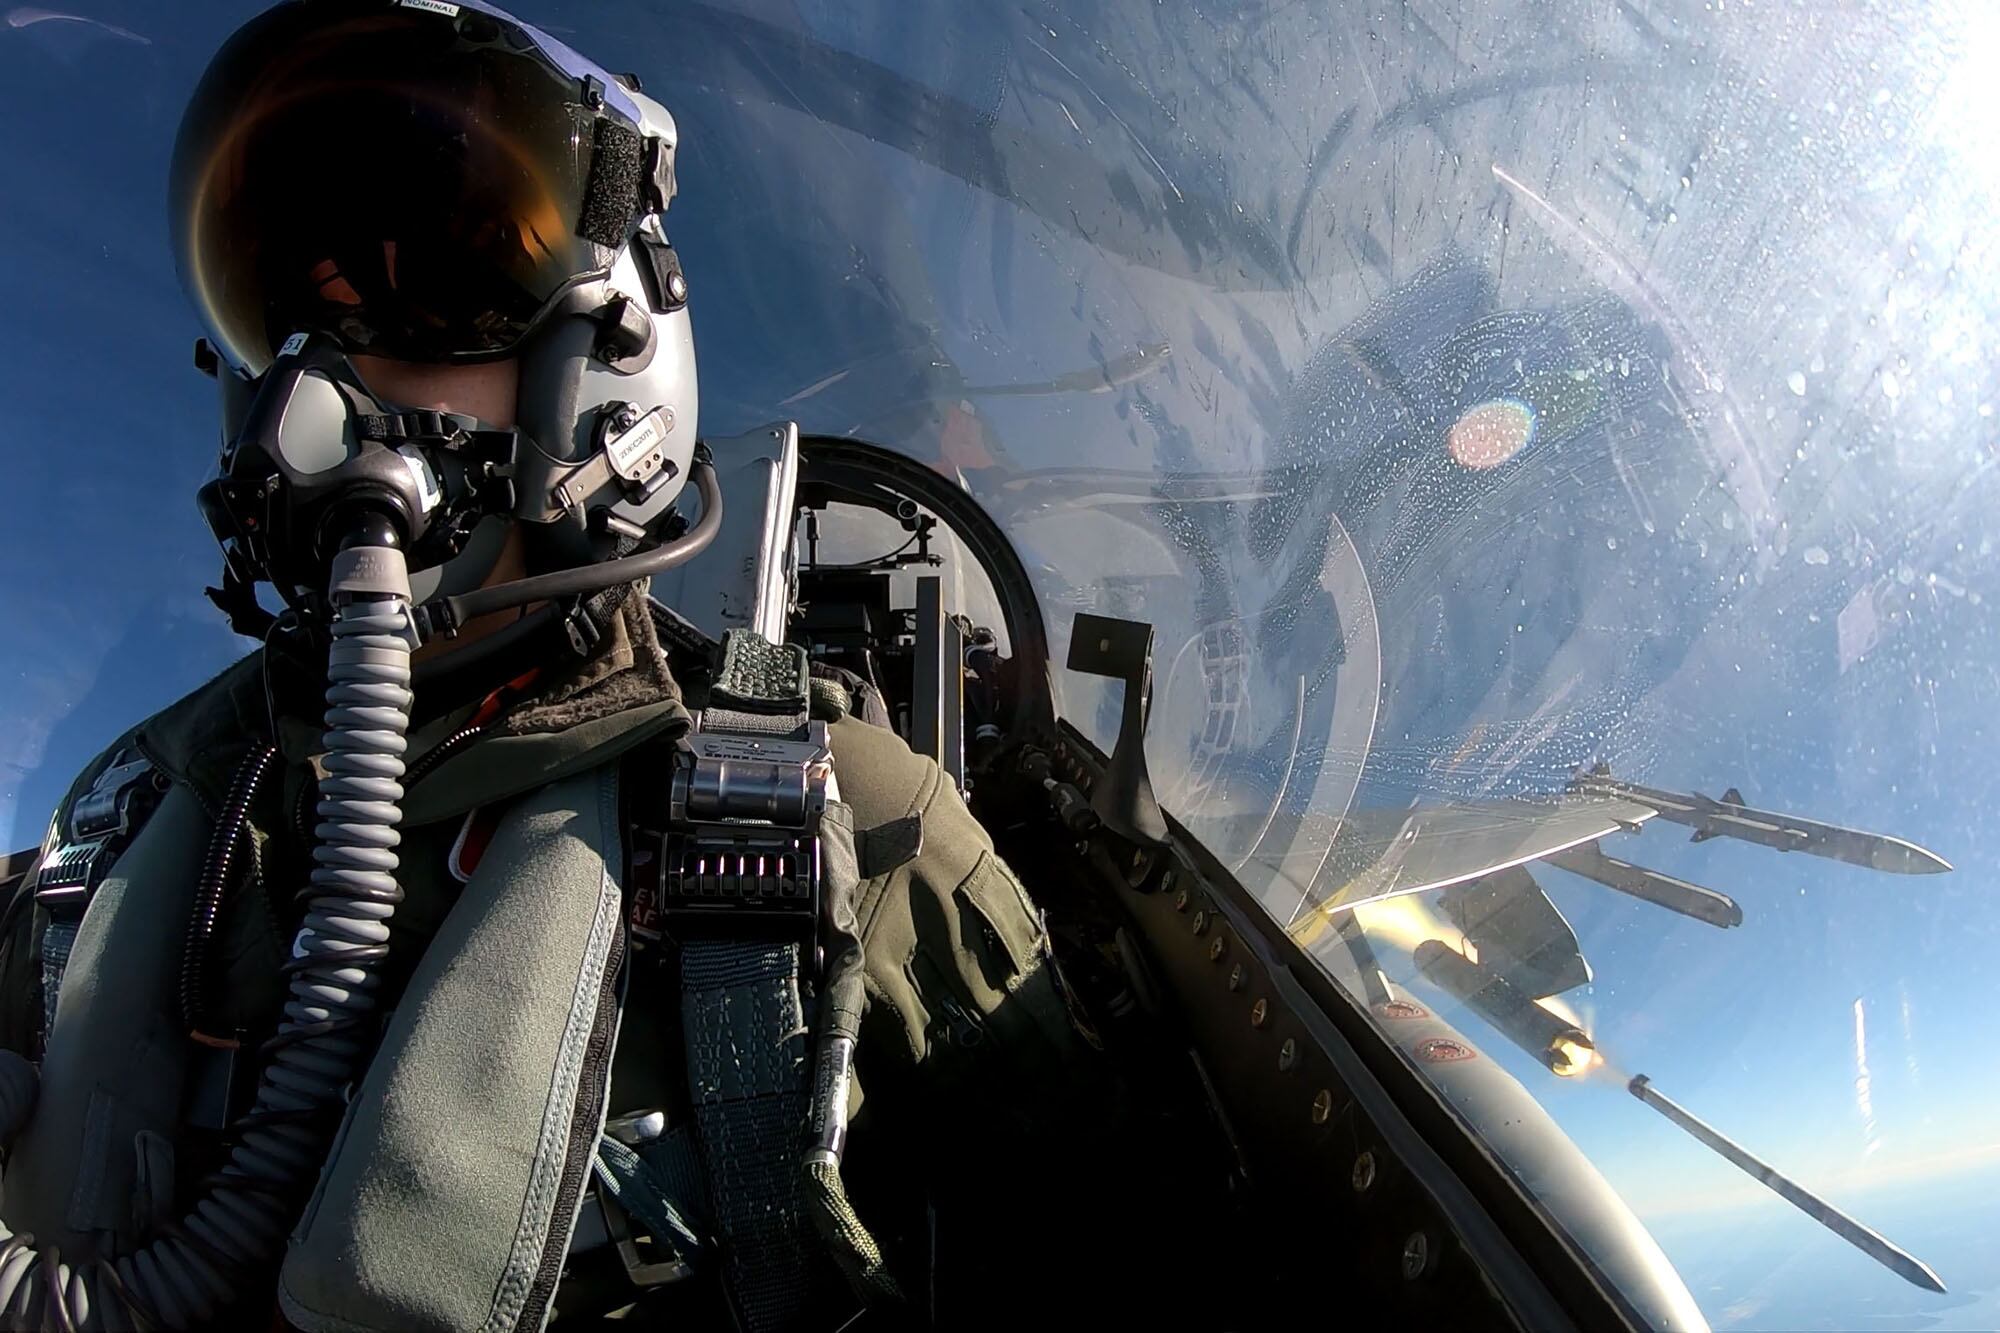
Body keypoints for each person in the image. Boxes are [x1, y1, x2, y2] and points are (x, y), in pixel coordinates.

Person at [0, 3, 1085, 1329]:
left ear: (612, 370)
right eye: (304, 325)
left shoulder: (849, 829)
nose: (323, 397)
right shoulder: (136, 820)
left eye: (434, 299)